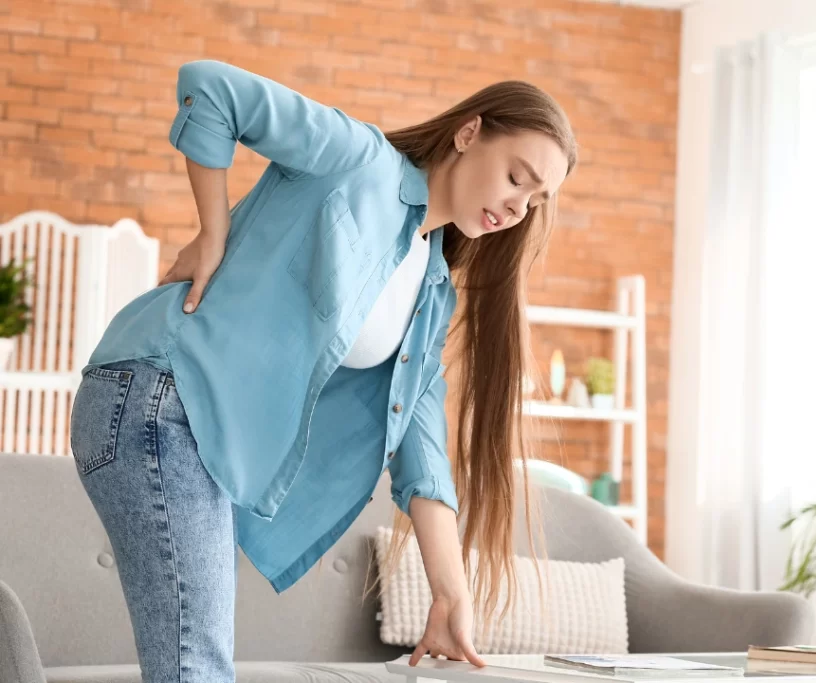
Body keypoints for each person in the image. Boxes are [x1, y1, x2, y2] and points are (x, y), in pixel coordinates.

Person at [68, 59, 576, 682]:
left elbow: (420, 444)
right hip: (158, 394)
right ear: (468, 134)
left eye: (535, 199)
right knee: (194, 667)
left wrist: (451, 594)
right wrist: (212, 234)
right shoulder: (358, 158)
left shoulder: (430, 287)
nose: (517, 206)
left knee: (192, 663)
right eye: (515, 177)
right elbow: (211, 87)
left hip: (199, 433)